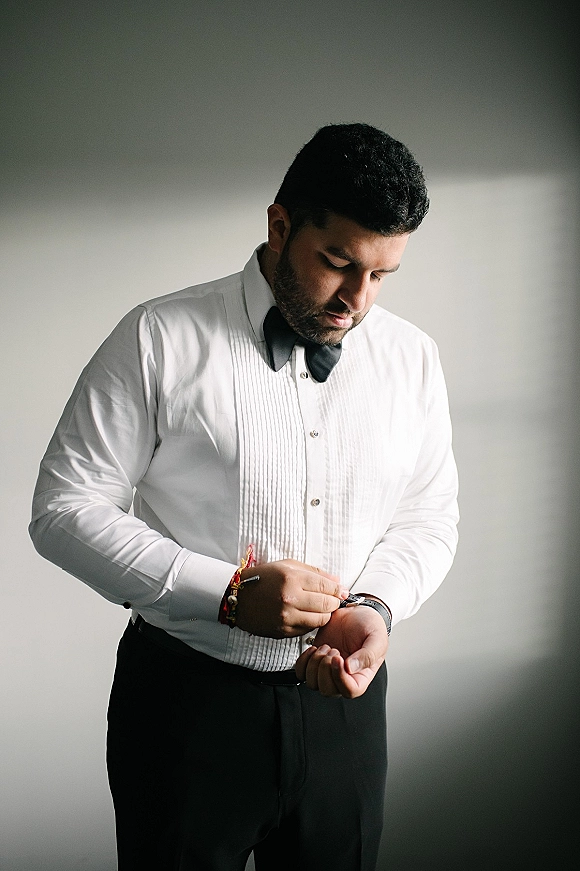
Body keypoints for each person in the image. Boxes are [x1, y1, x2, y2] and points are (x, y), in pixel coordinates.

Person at [29, 123, 459, 871]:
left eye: (381, 274)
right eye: (337, 263)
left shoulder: (412, 357)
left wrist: (376, 606)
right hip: (185, 709)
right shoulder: (158, 336)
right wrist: (226, 595)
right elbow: (64, 507)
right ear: (279, 225)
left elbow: (428, 516)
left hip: (346, 711)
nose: (357, 300)